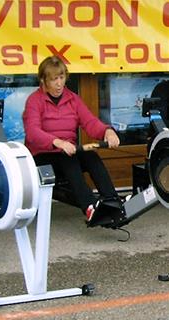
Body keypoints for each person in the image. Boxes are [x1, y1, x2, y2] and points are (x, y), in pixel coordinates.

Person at [22, 55, 120, 224]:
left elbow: (90, 122)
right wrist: (58, 142)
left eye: (61, 78)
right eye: (53, 80)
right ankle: (89, 207)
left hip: (68, 151)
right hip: (42, 156)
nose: (59, 83)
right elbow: (33, 132)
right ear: (44, 80)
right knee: (69, 160)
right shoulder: (34, 101)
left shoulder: (72, 98)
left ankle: (113, 202)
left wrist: (107, 132)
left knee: (91, 156)